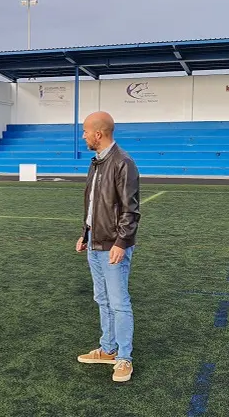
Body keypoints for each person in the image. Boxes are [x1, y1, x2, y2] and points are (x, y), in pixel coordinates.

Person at [75, 111, 140, 382]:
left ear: (98, 134)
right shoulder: (97, 162)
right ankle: (108, 349)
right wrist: (85, 233)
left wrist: (121, 242)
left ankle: (124, 357)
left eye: (86, 131)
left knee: (119, 303)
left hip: (113, 246)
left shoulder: (123, 163)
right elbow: (93, 206)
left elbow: (130, 210)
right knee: (102, 300)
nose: (84, 136)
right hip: (94, 243)